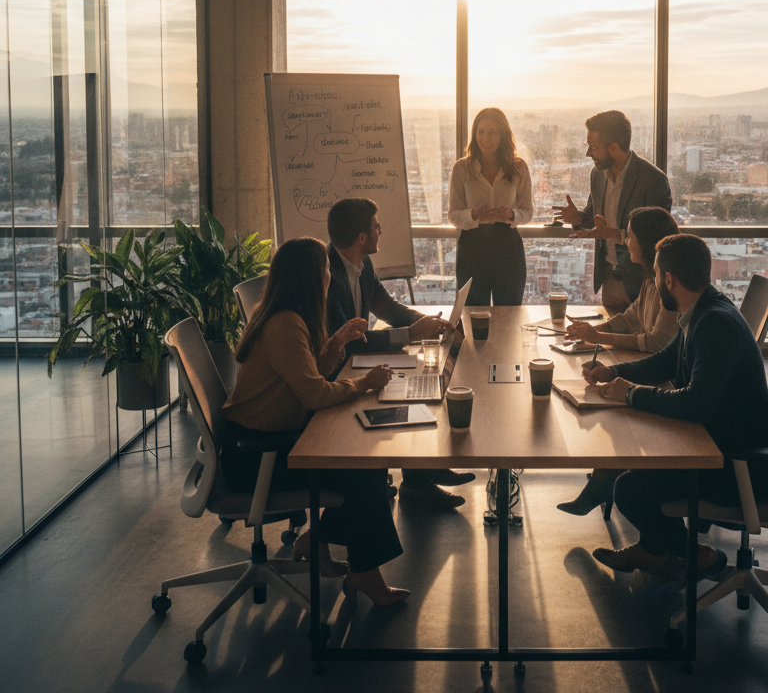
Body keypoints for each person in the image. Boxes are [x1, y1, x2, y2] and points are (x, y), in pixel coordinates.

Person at [220, 237, 410, 605]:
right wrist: (364, 384)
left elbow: (305, 377)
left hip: (265, 441)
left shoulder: (286, 314)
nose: (329, 276)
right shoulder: (285, 325)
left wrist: (336, 342)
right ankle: (363, 573)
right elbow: (316, 395)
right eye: (325, 269)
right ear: (310, 277)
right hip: (256, 456)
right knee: (361, 469)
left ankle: (319, 542)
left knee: (366, 462)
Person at [587, 233, 768, 579]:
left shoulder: (715, 325)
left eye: (655, 274)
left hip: (741, 467)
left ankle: (699, 557)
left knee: (630, 490)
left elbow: (696, 404)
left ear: (669, 280)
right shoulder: (704, 308)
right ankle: (654, 552)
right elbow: (667, 361)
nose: (652, 282)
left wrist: (631, 394)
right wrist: (615, 373)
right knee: (634, 462)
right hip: (723, 446)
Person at [326, 198, 475, 510]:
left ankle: (422, 473)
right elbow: (350, 344)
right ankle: (418, 482)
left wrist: (427, 324)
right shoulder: (328, 277)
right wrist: (410, 334)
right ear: (362, 237)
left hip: (354, 364)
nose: (381, 230)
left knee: (415, 384)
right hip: (338, 374)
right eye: (376, 226)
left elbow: (388, 308)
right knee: (407, 388)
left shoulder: (361, 264)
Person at [556, 206, 681, 516]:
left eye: (630, 236)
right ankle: (603, 479)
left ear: (645, 242)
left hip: (668, 380)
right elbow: (630, 317)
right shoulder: (652, 277)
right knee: (605, 389)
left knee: (610, 400)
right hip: (658, 369)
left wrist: (600, 337)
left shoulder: (669, 286)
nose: (625, 240)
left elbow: (656, 342)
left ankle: (604, 481)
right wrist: (594, 333)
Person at [555, 110, 671, 314]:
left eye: (593, 147)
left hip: (642, 281)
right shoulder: (598, 175)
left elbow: (658, 239)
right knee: (612, 332)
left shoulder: (653, 180)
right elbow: (593, 218)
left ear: (614, 148)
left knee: (642, 333)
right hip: (608, 276)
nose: (588, 153)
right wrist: (577, 219)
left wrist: (616, 235)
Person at [448, 107, 533, 306]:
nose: (486, 138)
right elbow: (453, 215)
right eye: (481, 132)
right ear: (474, 134)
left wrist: (511, 214)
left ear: (503, 135)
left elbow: (528, 212)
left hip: (507, 246)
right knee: (473, 312)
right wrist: (473, 214)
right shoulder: (462, 168)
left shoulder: (519, 167)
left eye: (493, 132)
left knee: (510, 312)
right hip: (472, 247)